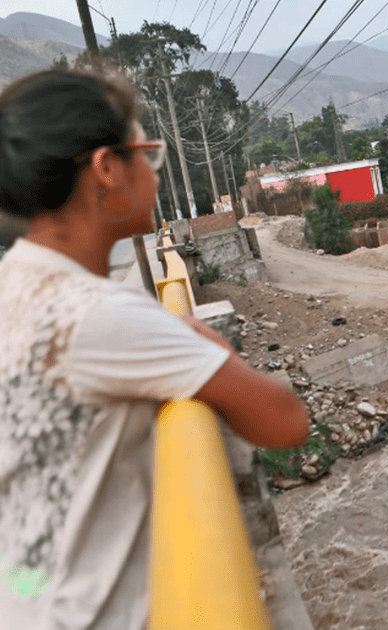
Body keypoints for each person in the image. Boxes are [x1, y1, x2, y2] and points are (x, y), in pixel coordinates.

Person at [0, 64, 311, 627]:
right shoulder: (99, 315)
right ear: (106, 170)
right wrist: (213, 348)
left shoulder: (13, 288)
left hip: (23, 596)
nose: (156, 174)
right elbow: (285, 422)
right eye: (147, 153)